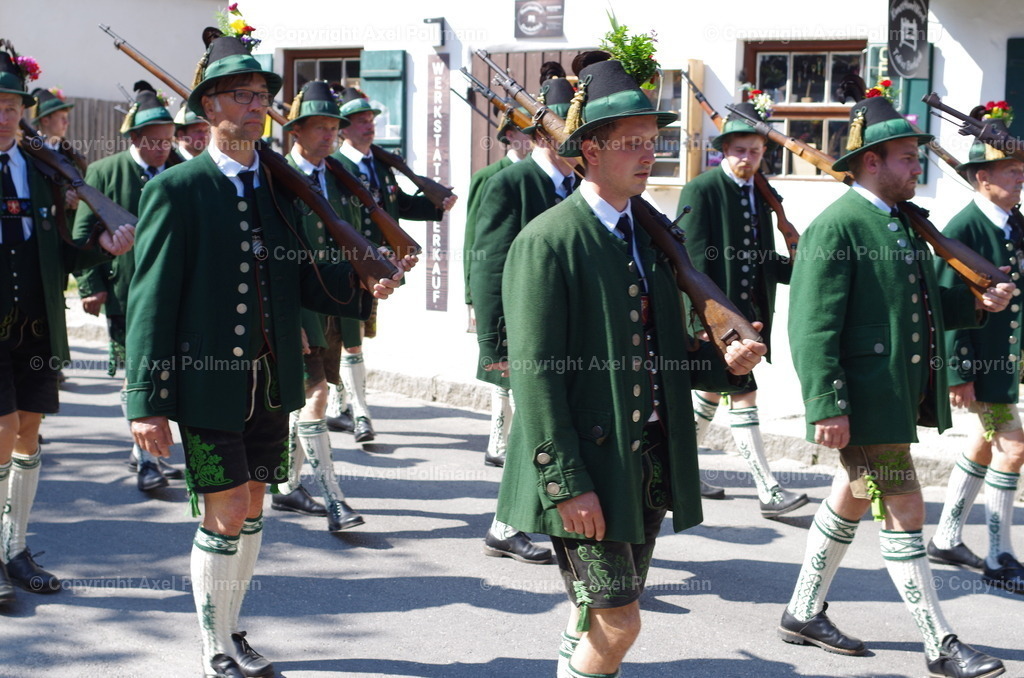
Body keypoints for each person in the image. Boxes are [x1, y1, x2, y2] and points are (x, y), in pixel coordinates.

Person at [125, 30, 404, 677]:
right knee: (223, 510)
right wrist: (146, 402)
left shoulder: (279, 190)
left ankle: (232, 625)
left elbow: (305, 278)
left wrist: (365, 278)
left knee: (252, 504)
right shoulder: (177, 191)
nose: (257, 106)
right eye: (243, 96)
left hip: (273, 382)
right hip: (205, 385)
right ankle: (213, 645)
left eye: (261, 97)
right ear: (209, 107)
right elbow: (151, 303)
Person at [495, 57, 766, 678]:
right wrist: (566, 483)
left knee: (600, 619)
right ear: (590, 149)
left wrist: (729, 361)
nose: (649, 154)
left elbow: (660, 345)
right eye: (632, 143)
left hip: (642, 465)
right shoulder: (547, 242)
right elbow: (535, 377)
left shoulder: (646, 238)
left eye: (653, 141)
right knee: (620, 622)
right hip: (586, 470)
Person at [781, 95, 1009, 677]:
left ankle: (803, 610)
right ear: (872, 161)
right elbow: (812, 324)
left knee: (852, 495)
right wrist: (824, 404)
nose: (918, 169)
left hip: (889, 396)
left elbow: (918, 305)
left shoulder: (899, 222)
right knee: (905, 505)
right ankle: (940, 642)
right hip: (861, 399)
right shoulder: (837, 224)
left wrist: (977, 302)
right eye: (908, 158)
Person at [0, 43, 134, 604]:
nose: (5, 113)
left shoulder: (41, 167)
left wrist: (103, 246)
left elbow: (65, 250)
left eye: (12, 104)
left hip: (34, 323)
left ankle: (15, 547)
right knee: (2, 433)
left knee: (28, 431)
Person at [679, 102, 807, 516]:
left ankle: (681, 467)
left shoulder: (759, 195)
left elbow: (760, 258)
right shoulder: (703, 190)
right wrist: (699, 321)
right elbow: (689, 262)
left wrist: (803, 268)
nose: (746, 159)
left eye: (754, 151)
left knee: (717, 391)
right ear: (723, 151)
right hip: (721, 320)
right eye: (739, 151)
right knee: (744, 393)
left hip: (752, 315)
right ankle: (768, 490)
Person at [471, 77, 576, 565]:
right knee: (532, 426)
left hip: (571, 335)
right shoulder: (509, 184)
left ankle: (523, 521)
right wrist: (495, 347)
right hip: (525, 335)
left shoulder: (576, 185)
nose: (573, 144)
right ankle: (506, 526)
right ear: (539, 136)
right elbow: (489, 266)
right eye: (563, 134)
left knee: (548, 426)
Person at [929, 113, 1024, 594]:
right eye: (1011, 170)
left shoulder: (1011, 222)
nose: (1021, 176)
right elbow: (947, 307)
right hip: (979, 364)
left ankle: (946, 536)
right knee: (1014, 447)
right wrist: (957, 373)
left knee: (986, 445)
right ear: (981, 177)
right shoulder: (963, 227)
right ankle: (999, 555)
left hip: (1003, 364)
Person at [72, 80, 182, 493]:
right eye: (154, 142)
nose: (162, 149)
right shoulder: (102, 173)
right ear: (134, 138)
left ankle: (153, 452)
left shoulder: (179, 170)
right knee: (137, 376)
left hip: (175, 291)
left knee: (170, 373)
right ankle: (146, 460)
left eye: (167, 141)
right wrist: (91, 284)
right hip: (127, 295)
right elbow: (82, 238)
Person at [329, 87, 456, 443]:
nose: (369, 127)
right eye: (360, 122)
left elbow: (394, 207)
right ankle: (359, 413)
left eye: (371, 121)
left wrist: (436, 203)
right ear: (344, 129)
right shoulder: (336, 168)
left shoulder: (381, 165)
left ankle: (340, 404)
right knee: (350, 337)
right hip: (352, 266)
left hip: (384, 266)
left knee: (354, 335)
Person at [275, 79, 367, 531]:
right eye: (320, 128)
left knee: (313, 393)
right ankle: (334, 500)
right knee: (317, 396)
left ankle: (286, 485)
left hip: (337, 305)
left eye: (334, 127)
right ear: (296, 132)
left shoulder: (339, 176)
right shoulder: (277, 179)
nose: (330, 135)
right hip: (297, 306)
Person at [463, 110, 533, 465]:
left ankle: (505, 443)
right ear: (507, 136)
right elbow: (474, 241)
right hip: (496, 288)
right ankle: (498, 440)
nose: (527, 138)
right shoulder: (491, 177)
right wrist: (471, 297)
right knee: (500, 367)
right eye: (520, 133)